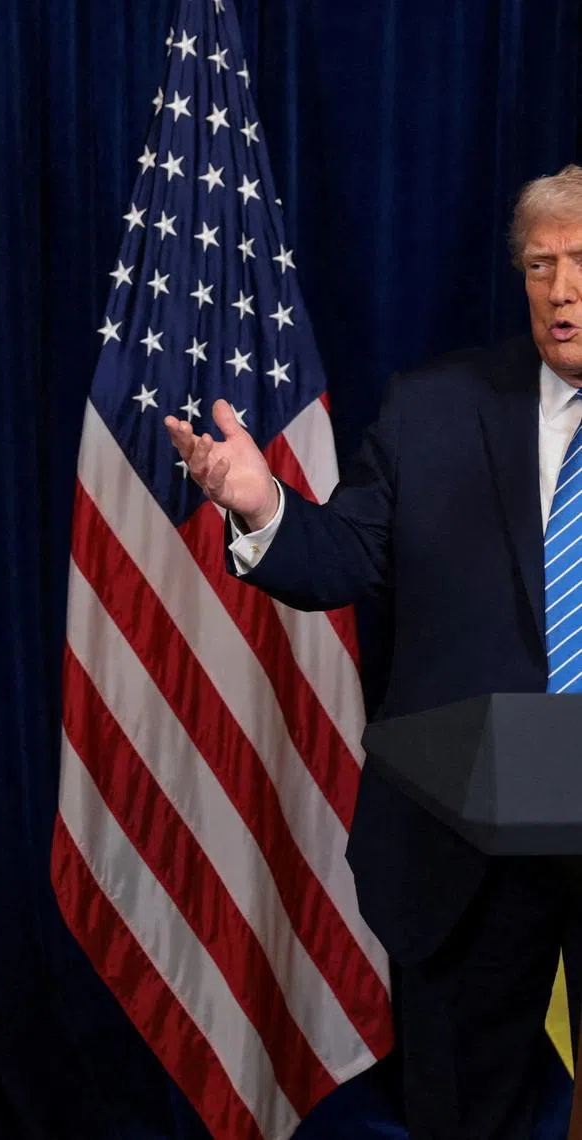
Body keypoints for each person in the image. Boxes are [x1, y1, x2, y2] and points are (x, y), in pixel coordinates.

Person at [165, 163, 582, 1139]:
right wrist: (264, 510)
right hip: (473, 846)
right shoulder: (434, 410)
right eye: (540, 265)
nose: (562, 291)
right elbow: (343, 556)